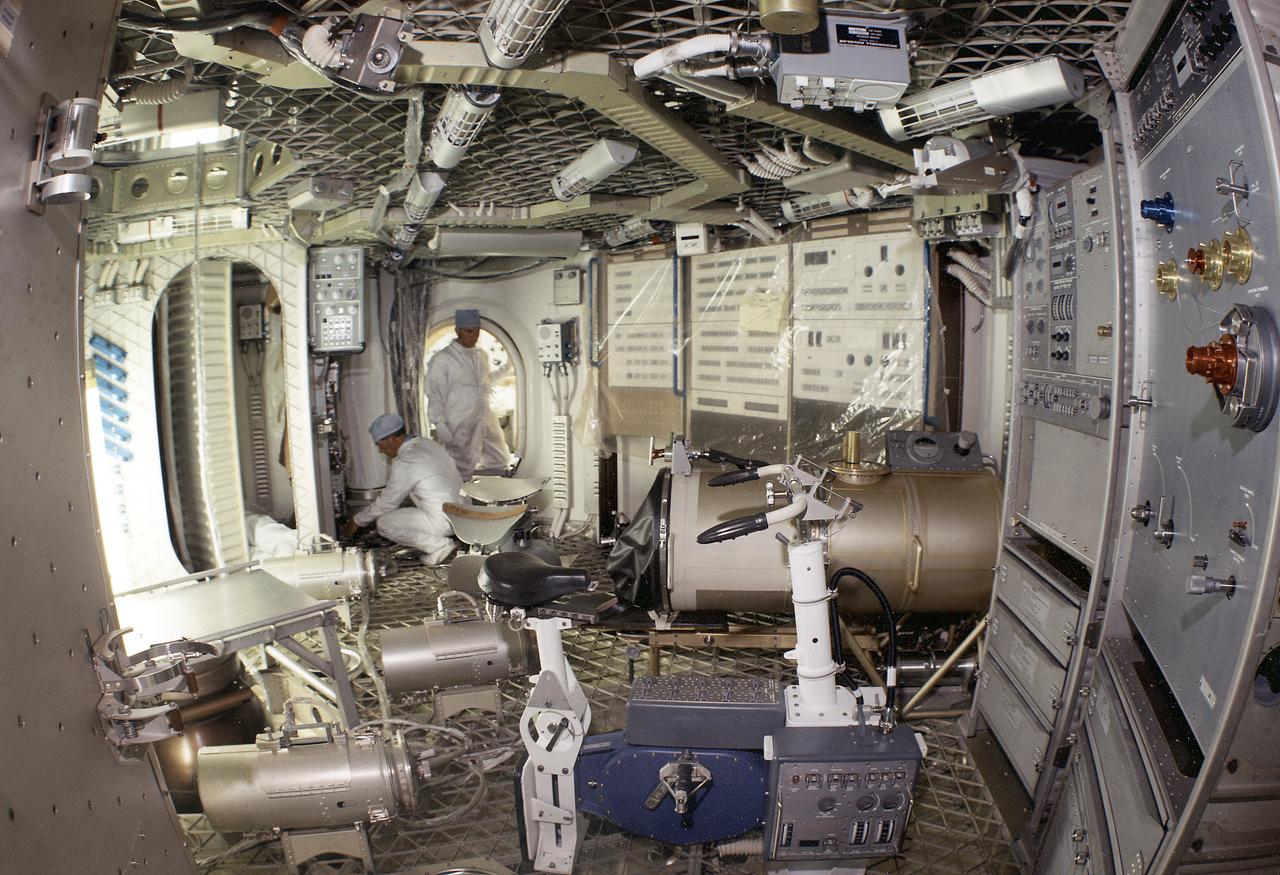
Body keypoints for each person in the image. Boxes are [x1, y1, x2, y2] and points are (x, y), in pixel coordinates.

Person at [343, 413, 462, 564]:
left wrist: (356, 522)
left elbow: (387, 503)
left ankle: (440, 545)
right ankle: (441, 542)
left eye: (380, 444)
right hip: (463, 515)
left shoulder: (406, 461)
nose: (380, 450)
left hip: (443, 521)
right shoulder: (428, 444)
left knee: (384, 524)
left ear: (392, 439)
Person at [426, 308, 512, 480]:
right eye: (469, 331)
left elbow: (485, 381)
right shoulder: (443, 359)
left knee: (500, 459)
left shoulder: (481, 355)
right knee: (460, 466)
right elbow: (434, 394)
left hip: (484, 416)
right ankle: (460, 493)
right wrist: (440, 424)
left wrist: (507, 367)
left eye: (477, 331)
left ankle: (490, 490)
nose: (474, 336)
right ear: (458, 331)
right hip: (459, 420)